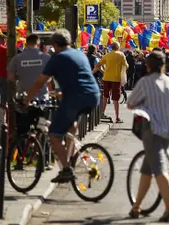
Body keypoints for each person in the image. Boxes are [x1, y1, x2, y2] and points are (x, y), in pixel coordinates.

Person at [127, 51, 169, 222]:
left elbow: (130, 104)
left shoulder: (145, 82)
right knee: (147, 170)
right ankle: (136, 207)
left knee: (158, 169)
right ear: (164, 65)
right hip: (168, 132)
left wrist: (144, 104)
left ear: (148, 66)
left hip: (152, 131)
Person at [25, 29, 100, 183]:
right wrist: (61, 94)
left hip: (76, 99)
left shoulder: (57, 58)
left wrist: (26, 100)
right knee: (71, 126)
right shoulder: (79, 54)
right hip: (93, 96)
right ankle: (69, 160)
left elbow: (41, 82)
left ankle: (66, 169)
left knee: (54, 134)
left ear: (56, 44)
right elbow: (79, 79)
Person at [7, 34, 51, 134]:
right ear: (38, 43)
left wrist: (21, 77)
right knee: (42, 127)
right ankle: (41, 146)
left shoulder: (17, 58)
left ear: (26, 43)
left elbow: (10, 77)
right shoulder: (46, 57)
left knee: (22, 129)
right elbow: (50, 77)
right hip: (42, 99)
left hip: (23, 99)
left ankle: (23, 147)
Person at [92, 42, 128, 123]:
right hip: (116, 79)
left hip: (106, 78)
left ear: (111, 48)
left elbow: (98, 65)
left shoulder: (107, 55)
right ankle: (117, 117)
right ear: (118, 48)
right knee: (116, 98)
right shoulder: (121, 55)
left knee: (105, 96)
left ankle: (102, 113)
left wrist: (102, 71)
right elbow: (126, 66)